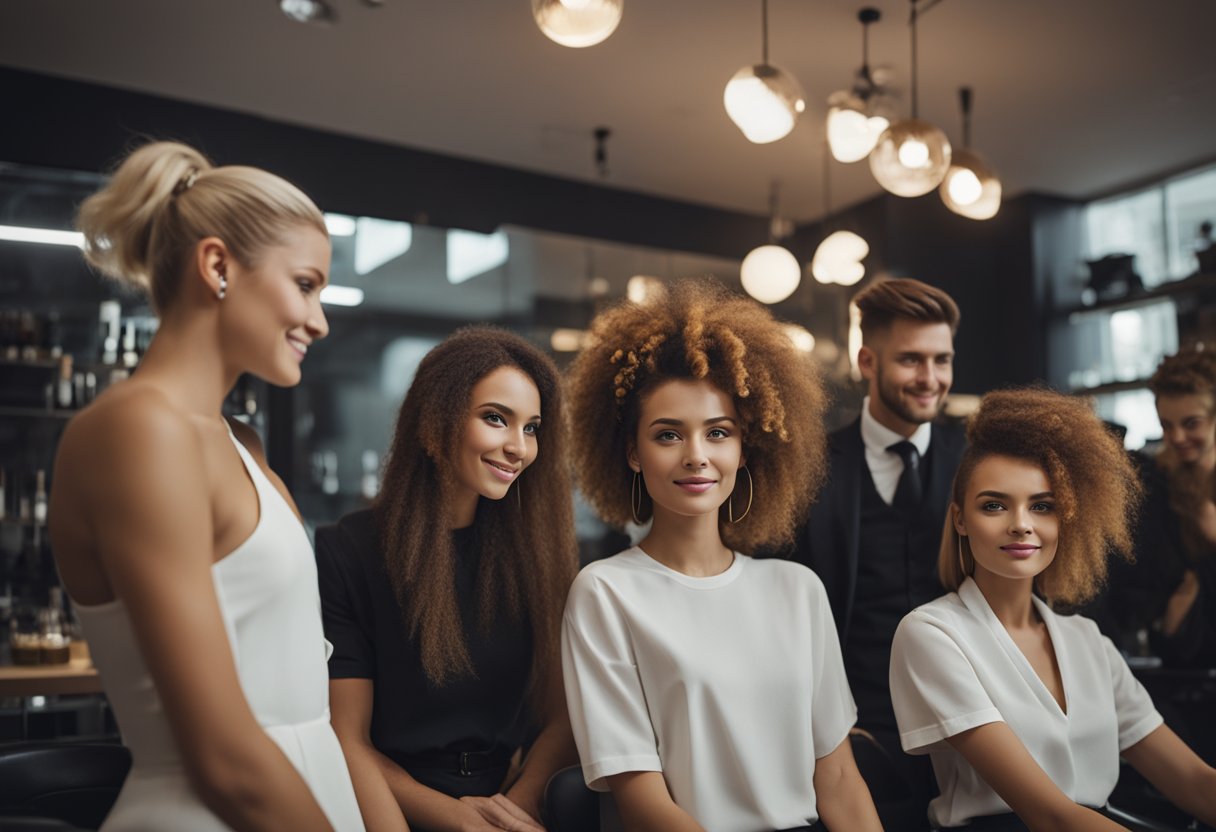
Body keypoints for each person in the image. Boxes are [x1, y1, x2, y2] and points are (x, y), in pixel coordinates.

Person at [49, 141, 363, 830]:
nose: (320, 319)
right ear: (218, 266)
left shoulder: (237, 442)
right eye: (306, 284)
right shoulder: (138, 431)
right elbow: (223, 758)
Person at [562, 280, 881, 832]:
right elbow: (642, 804)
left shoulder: (797, 589)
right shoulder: (605, 593)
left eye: (718, 433)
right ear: (633, 452)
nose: (697, 457)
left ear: (744, 446)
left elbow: (840, 784)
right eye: (668, 435)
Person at [889, 387, 1216, 831]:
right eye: (994, 505)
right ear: (961, 519)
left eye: (1042, 506)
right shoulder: (932, 633)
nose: (1021, 523)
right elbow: (1051, 815)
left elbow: (1196, 783)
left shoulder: (1088, 641)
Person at [317, 326, 579, 832]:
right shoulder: (349, 551)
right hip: (390, 811)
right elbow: (346, 739)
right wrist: (455, 820)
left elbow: (562, 717)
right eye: (496, 419)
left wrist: (518, 808)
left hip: (513, 810)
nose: (518, 447)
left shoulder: (537, 555)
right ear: (435, 419)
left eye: (531, 428)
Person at [785, 277, 964, 828]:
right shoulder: (811, 466)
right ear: (867, 361)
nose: (930, 378)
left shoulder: (976, 460)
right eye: (912, 360)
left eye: (942, 360)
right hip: (851, 730)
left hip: (965, 719)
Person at [1144, 348, 1216, 665]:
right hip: (1185, 660)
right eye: (1166, 425)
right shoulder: (1156, 487)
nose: (1177, 436)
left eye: (1191, 423)